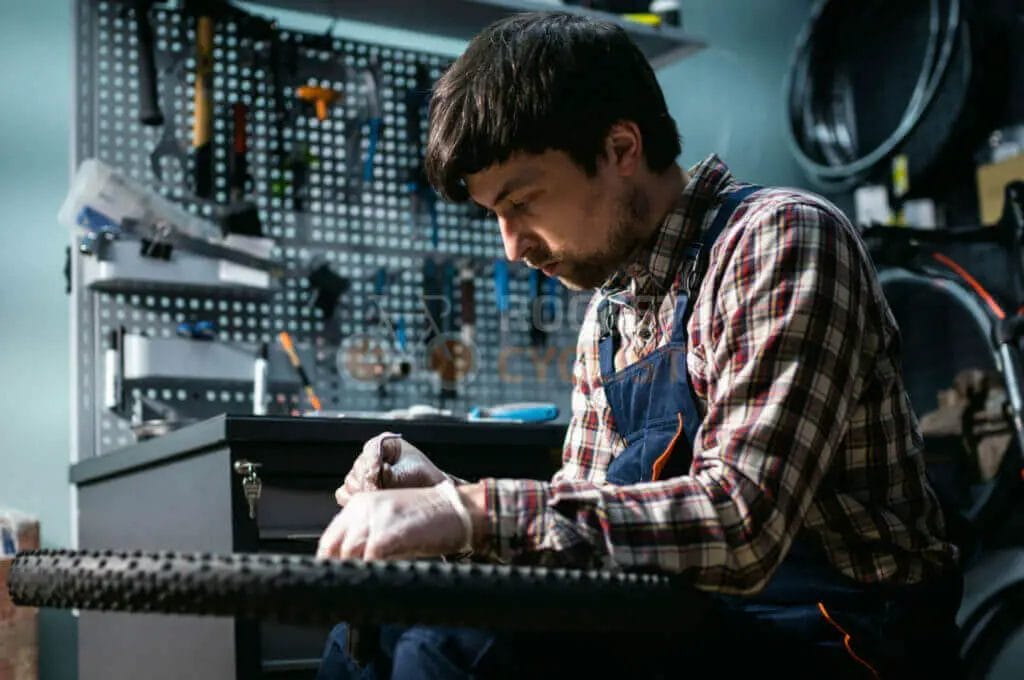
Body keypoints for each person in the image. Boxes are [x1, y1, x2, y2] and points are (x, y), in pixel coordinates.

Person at [316, 11, 963, 679]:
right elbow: (578, 539)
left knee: (460, 645)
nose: (512, 247)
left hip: (838, 635)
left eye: (525, 201)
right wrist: (440, 498)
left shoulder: (780, 240)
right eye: (496, 217)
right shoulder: (610, 310)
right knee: (381, 620)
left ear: (621, 149)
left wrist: (468, 512)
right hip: (697, 618)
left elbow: (742, 525)